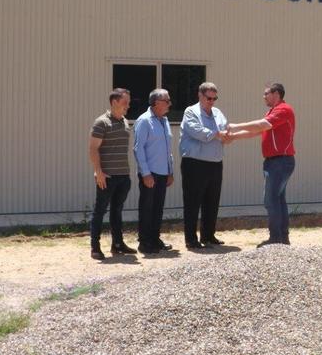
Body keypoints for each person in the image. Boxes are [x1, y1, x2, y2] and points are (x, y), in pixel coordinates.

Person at [227, 82, 296, 246]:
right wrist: (233, 137)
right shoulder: (272, 112)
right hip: (276, 162)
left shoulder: (283, 109)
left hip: (280, 161)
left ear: (276, 94)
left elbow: (262, 125)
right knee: (278, 200)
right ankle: (282, 238)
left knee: (271, 200)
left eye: (266, 93)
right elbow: (257, 131)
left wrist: (235, 127)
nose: (263, 96)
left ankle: (276, 238)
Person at [88, 88, 137, 260]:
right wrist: (98, 171)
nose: (128, 106)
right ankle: (95, 246)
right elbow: (93, 149)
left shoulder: (124, 121)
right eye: (125, 103)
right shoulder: (101, 122)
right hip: (107, 176)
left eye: (128, 103)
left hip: (123, 176)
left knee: (117, 211)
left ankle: (118, 244)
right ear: (115, 102)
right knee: (100, 211)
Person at [179, 82, 230, 249]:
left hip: (215, 163)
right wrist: (217, 134)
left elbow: (225, 128)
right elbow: (197, 131)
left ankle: (208, 235)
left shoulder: (217, 113)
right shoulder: (190, 112)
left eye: (215, 98)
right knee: (193, 201)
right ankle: (191, 239)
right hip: (195, 163)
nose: (212, 101)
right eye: (209, 98)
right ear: (200, 96)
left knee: (212, 201)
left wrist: (226, 135)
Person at [133, 89, 175, 254]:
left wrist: (170, 171)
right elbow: (138, 149)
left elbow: (167, 149)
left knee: (158, 208)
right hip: (150, 173)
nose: (170, 104)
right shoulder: (144, 121)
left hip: (163, 173)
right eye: (167, 100)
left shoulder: (164, 121)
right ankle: (144, 242)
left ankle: (154, 239)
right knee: (147, 208)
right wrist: (145, 173)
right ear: (156, 103)